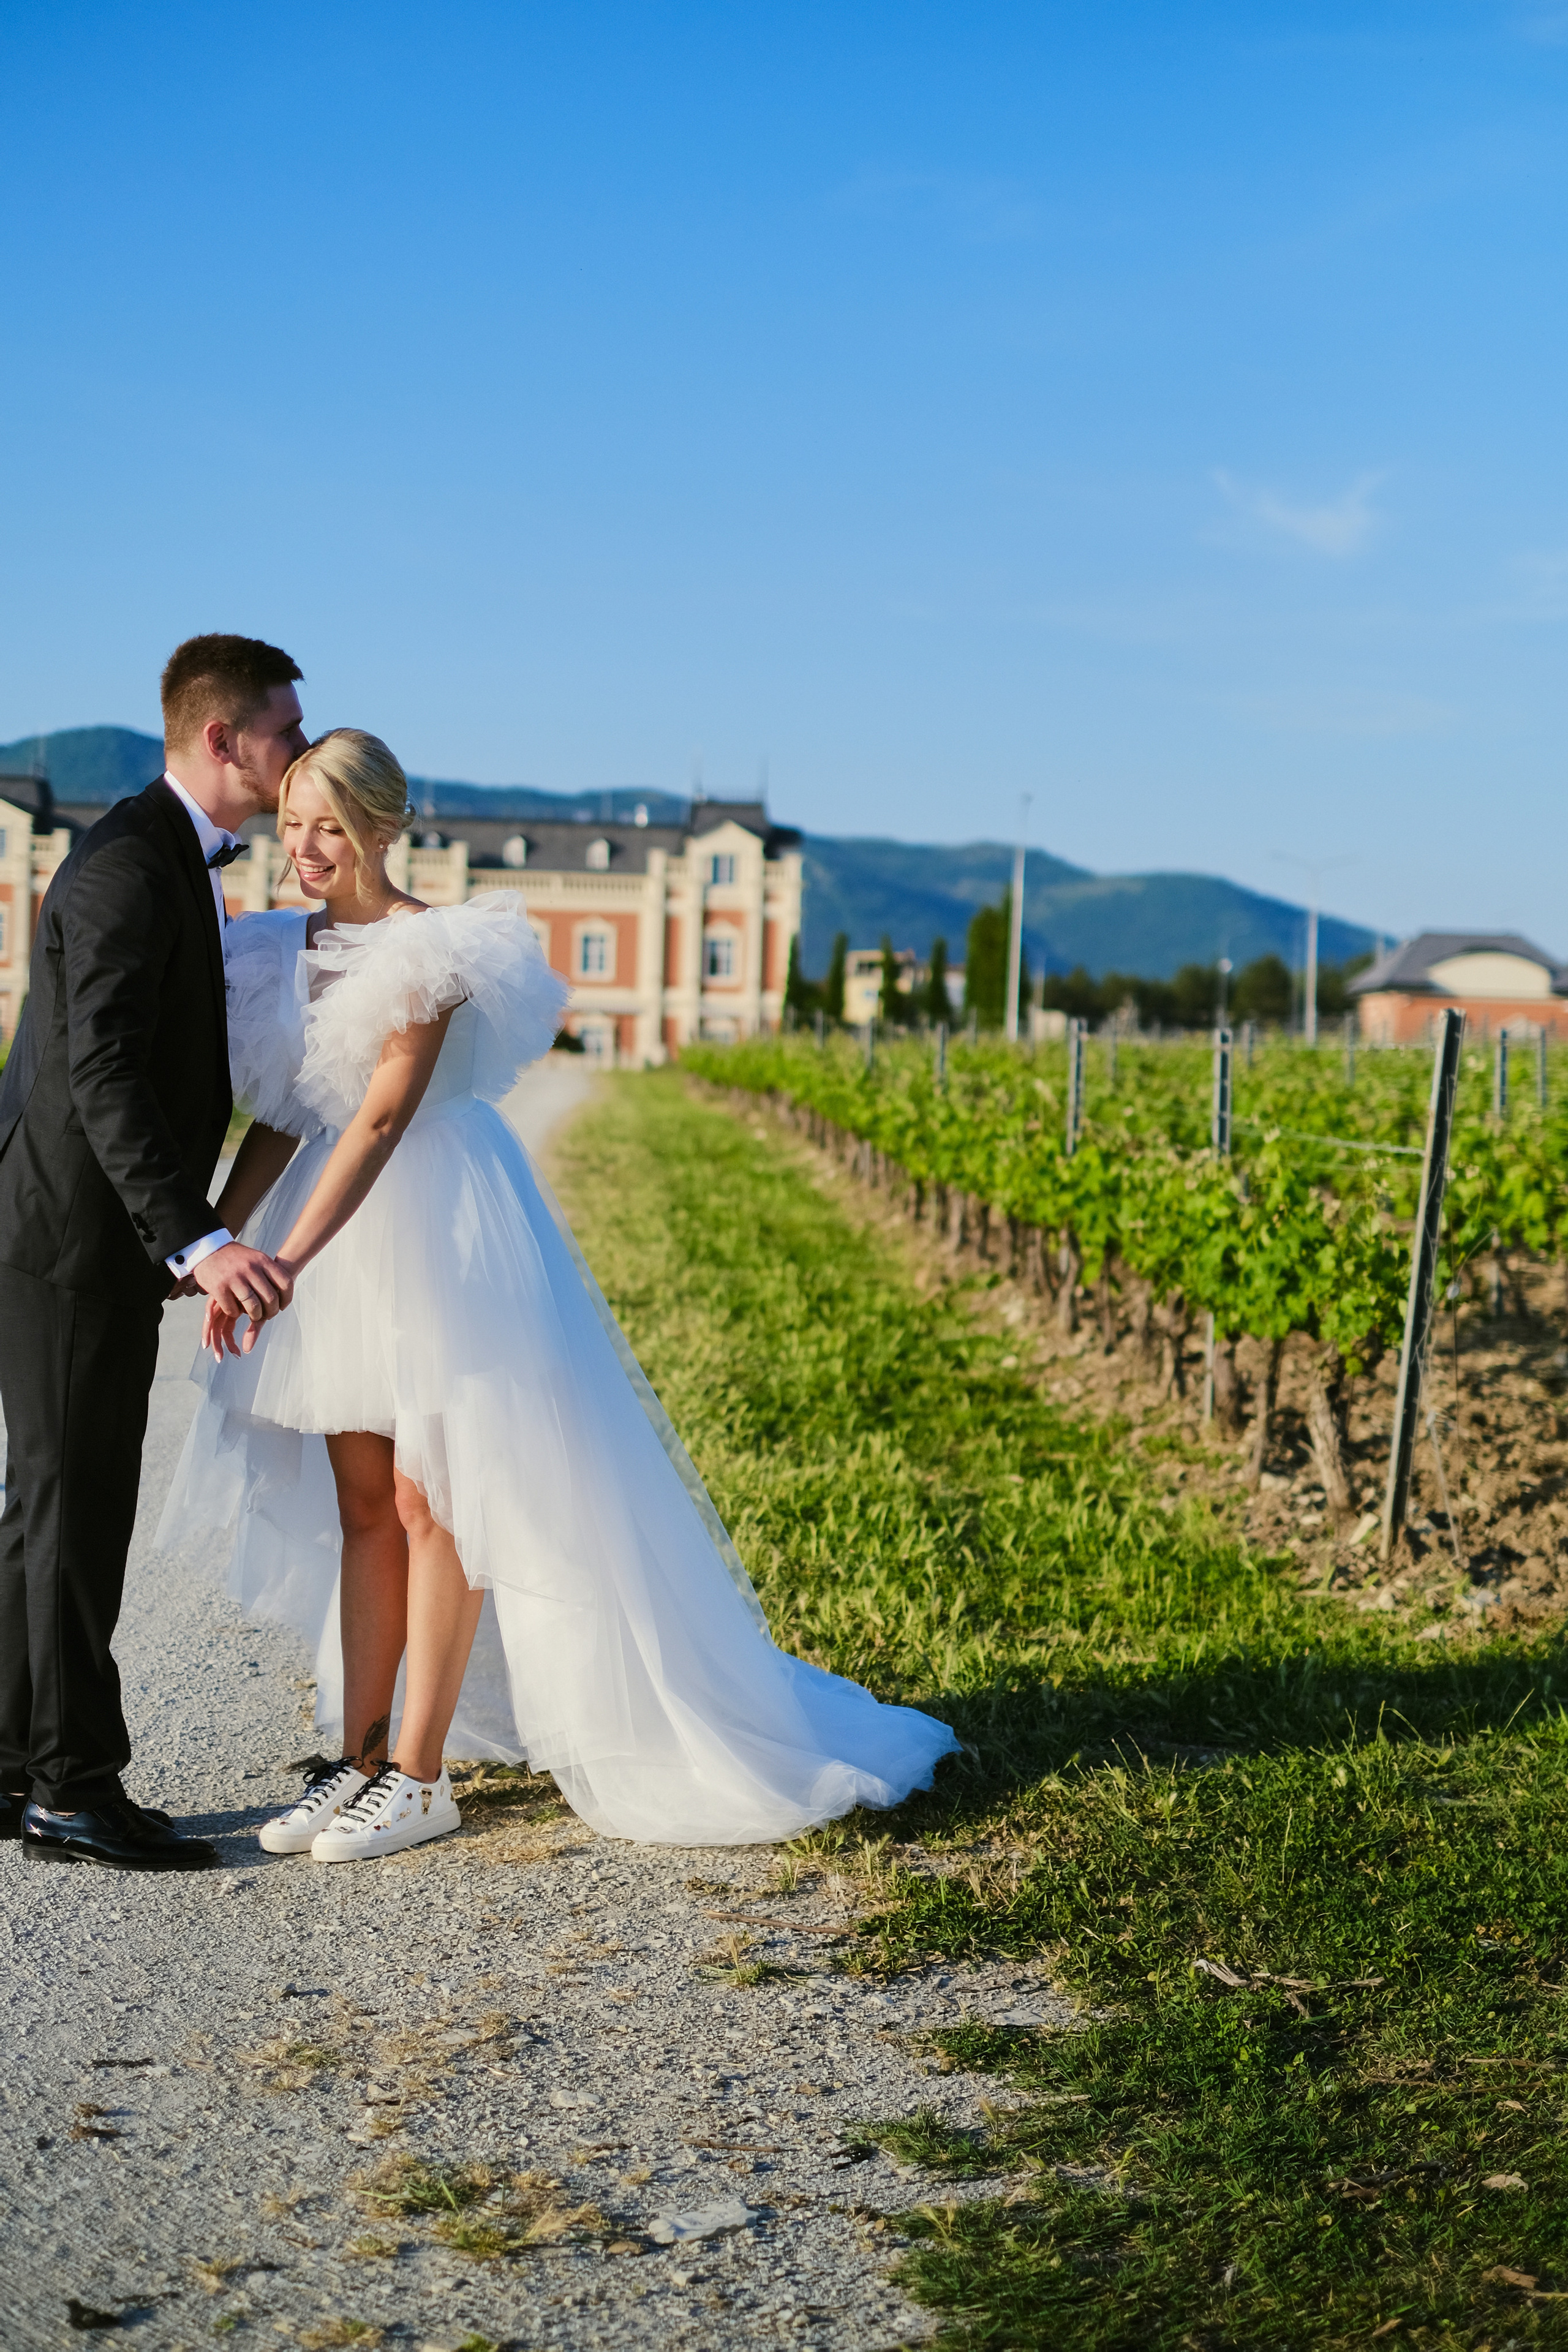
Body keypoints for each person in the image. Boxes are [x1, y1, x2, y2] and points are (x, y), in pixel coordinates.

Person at [159, 728, 957, 1860]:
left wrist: (292, 1259)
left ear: (385, 828)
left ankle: (423, 1777)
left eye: (331, 826)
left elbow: (384, 1114)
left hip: (428, 1219)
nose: (305, 848)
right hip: (324, 1231)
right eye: (292, 825)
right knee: (363, 1505)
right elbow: (287, 1113)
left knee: (440, 1500)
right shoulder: (277, 947)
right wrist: (219, 1243)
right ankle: (363, 1753)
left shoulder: (428, 947)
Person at [0, 634, 306, 1869]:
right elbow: (104, 1072)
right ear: (222, 739)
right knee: (76, 1509)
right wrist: (200, 1237)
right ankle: (73, 1789)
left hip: (69, 1230)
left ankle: (21, 1759)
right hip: (74, 1236)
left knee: (48, 1507)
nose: (296, 751)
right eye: (284, 731)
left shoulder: (167, 850)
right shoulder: (131, 863)